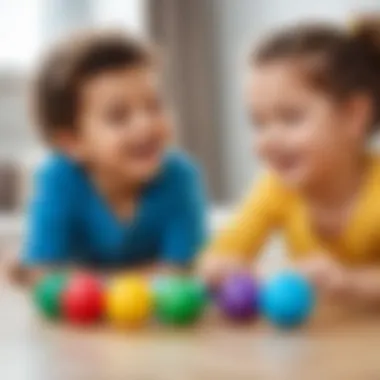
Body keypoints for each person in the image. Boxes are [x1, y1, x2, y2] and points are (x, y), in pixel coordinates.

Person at [201, 17, 380, 307]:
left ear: (353, 115)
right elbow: (215, 262)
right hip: (326, 344)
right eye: (258, 123)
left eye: (290, 117)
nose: (269, 140)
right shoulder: (277, 190)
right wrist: (256, 277)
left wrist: (349, 282)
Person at [14, 30, 206, 285]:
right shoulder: (57, 180)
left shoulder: (180, 178)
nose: (146, 124)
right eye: (119, 116)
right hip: (76, 324)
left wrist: (91, 284)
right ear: (72, 143)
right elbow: (43, 271)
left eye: (154, 105)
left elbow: (183, 272)